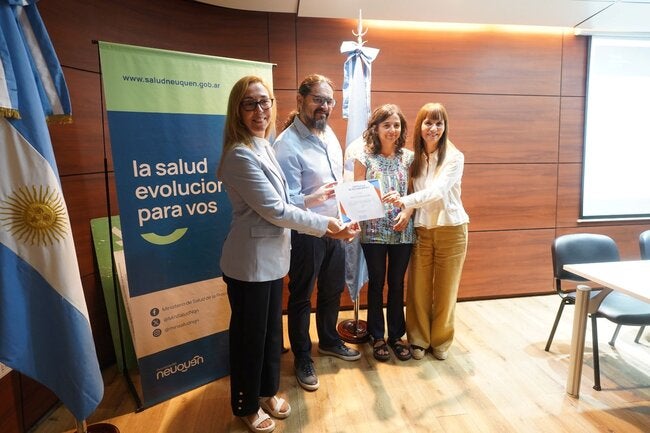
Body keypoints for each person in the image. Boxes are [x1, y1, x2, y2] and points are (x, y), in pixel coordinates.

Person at [218, 75, 356, 433]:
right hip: (249, 263)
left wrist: (318, 202)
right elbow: (277, 210)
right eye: (250, 104)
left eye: (264, 102)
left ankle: (266, 391)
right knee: (249, 338)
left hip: (271, 259)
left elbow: (286, 200)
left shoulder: (262, 145)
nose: (260, 110)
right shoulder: (239, 154)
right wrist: (327, 226)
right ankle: (246, 405)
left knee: (269, 336)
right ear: (237, 110)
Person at [273, 74, 361, 392]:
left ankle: (328, 340)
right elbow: (284, 203)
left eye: (329, 101)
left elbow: (340, 181)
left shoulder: (328, 134)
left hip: (335, 229)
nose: (324, 106)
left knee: (331, 290)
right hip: (305, 232)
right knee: (300, 297)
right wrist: (313, 198)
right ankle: (302, 357)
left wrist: (349, 216)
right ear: (300, 100)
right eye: (317, 100)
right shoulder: (285, 145)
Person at [387, 102, 469, 361]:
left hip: (451, 229)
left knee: (446, 290)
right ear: (420, 126)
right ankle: (419, 340)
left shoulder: (454, 157)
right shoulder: (414, 158)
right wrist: (407, 209)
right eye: (428, 123)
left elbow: (437, 191)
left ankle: (441, 341)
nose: (433, 128)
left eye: (439, 123)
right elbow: (414, 190)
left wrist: (404, 201)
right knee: (418, 289)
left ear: (445, 127)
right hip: (422, 230)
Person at [353, 104, 415, 362]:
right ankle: (377, 335)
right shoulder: (364, 158)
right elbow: (356, 195)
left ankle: (396, 336)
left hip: (403, 230)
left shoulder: (409, 158)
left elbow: (414, 193)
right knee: (377, 283)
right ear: (376, 128)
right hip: (373, 231)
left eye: (396, 125)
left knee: (397, 283)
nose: (392, 130)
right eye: (386, 125)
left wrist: (407, 212)